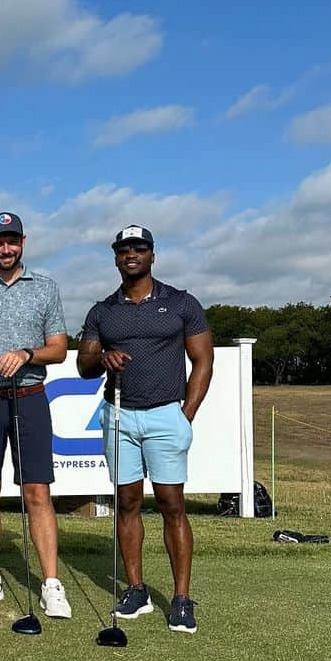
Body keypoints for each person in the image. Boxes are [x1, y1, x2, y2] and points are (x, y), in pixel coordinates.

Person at [76, 225, 213, 634]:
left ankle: (182, 598)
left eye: (139, 248)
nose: (131, 254)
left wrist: (184, 414)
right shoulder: (103, 311)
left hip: (165, 415)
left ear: (152, 255)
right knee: (127, 502)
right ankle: (136, 589)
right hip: (119, 415)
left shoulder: (182, 303)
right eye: (123, 249)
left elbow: (203, 361)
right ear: (116, 257)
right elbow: (84, 367)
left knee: (172, 503)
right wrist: (103, 357)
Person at [0, 212, 72, 618]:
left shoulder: (45, 288)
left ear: (23, 241)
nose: (5, 249)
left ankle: (51, 583)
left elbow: (58, 347)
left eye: (12, 241)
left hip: (30, 395)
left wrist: (27, 354)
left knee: (37, 491)